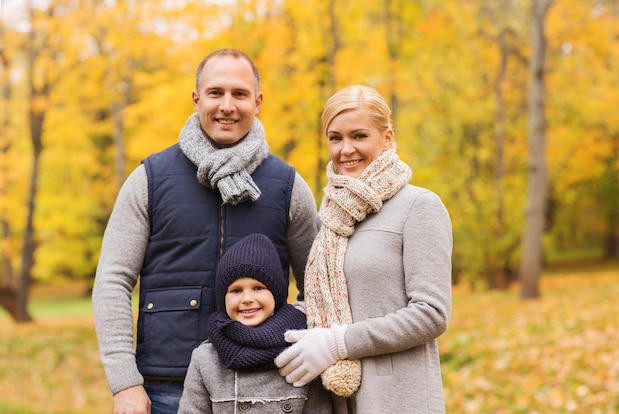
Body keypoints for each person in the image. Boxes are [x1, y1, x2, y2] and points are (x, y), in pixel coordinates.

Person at [92, 48, 319, 414]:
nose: (227, 105)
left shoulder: (288, 185)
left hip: (267, 386)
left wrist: (296, 340)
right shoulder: (149, 179)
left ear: (258, 102)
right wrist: (125, 382)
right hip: (167, 387)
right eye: (216, 93)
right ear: (196, 99)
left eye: (239, 94)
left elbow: (321, 285)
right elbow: (112, 280)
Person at [274, 85, 453, 413]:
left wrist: (339, 342)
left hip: (398, 399)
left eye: (359, 136)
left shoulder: (419, 206)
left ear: (386, 138)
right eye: (335, 138)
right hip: (334, 398)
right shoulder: (329, 216)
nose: (345, 150)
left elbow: (432, 313)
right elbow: (322, 298)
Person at [177, 233, 331, 413]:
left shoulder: (303, 350)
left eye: (258, 288)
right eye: (236, 290)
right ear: (223, 299)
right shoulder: (205, 359)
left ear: (276, 294)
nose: (247, 299)